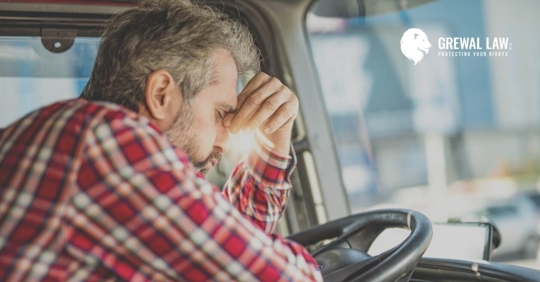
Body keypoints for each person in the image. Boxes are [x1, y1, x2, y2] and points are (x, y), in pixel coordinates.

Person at [0, 0, 322, 281]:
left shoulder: (76, 135)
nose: (225, 140)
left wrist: (271, 143)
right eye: (219, 114)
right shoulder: (115, 146)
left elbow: (222, 245)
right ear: (161, 95)